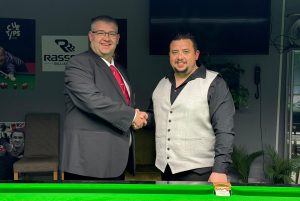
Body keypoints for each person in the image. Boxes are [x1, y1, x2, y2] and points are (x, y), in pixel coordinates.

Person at [61, 15, 148, 180]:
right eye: (100, 32)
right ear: (90, 36)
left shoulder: (121, 70)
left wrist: (135, 118)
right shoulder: (78, 64)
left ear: (118, 38)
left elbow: (124, 106)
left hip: (116, 160)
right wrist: (132, 116)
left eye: (112, 34)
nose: (106, 38)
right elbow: (91, 100)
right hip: (87, 162)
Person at [147, 33, 235, 183]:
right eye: (175, 52)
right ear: (169, 55)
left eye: (185, 52)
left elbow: (225, 129)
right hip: (166, 171)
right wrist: (141, 118)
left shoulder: (214, 83)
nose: (179, 57)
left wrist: (220, 169)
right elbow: (157, 117)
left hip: (201, 172)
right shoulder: (161, 84)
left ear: (196, 55)